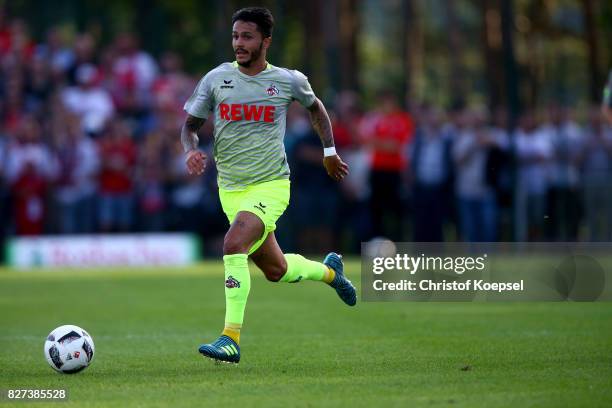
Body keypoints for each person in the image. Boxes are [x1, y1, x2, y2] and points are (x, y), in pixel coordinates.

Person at [180, 7, 355, 364]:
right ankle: (329, 272)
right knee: (276, 271)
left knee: (233, 244)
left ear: (266, 41)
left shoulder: (289, 80)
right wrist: (190, 151)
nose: (239, 44)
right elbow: (189, 127)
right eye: (235, 37)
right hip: (230, 190)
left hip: (271, 185)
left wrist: (329, 151)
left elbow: (317, 108)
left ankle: (230, 338)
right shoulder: (216, 79)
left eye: (246, 36)